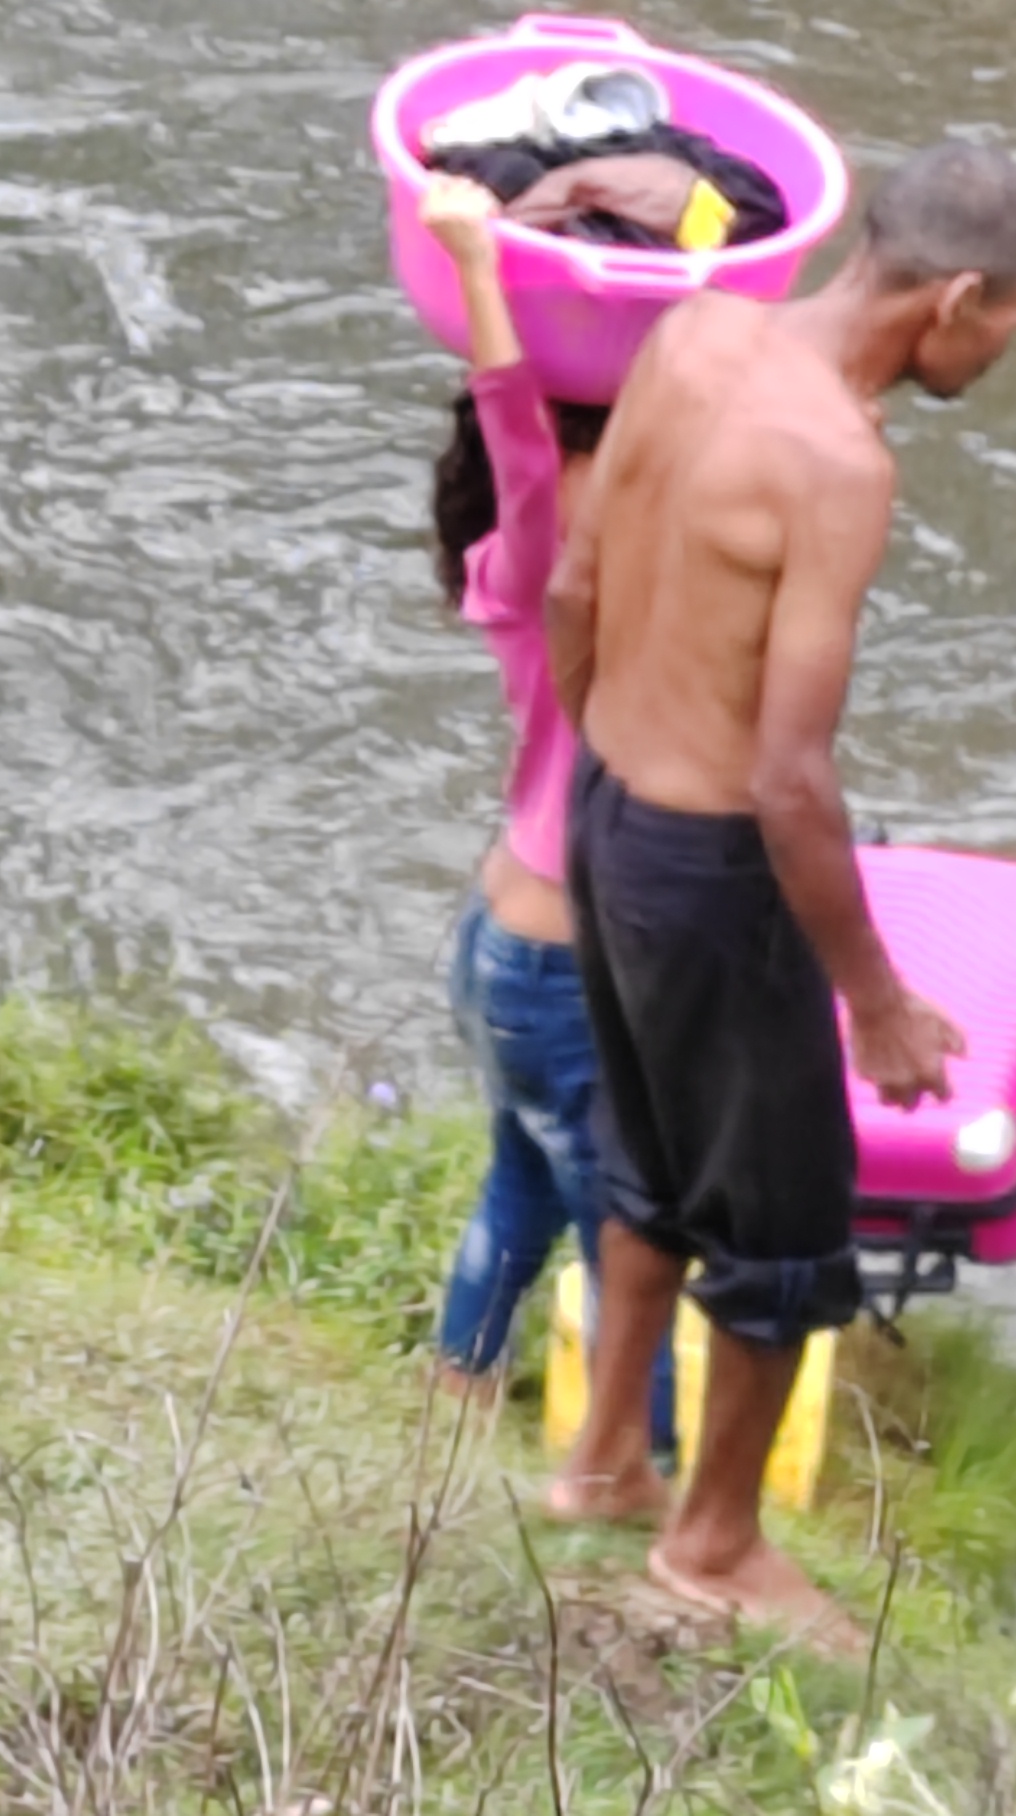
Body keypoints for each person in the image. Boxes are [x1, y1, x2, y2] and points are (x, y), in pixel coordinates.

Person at [543, 138, 1016, 1649]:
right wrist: (877, 1001)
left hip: (608, 810)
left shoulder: (696, 328)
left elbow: (574, 588)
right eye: (1009, 326)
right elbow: (790, 778)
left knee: (649, 1161)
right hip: (715, 864)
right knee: (780, 1227)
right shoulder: (839, 464)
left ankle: (605, 1463)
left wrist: (612, 759)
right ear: (951, 301)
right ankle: (713, 1544)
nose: (1000, 355)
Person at [420, 174, 672, 1447]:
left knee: (520, 1184)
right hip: (558, 966)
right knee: (630, 1230)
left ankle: (453, 1395)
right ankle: (638, 1464)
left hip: (509, 944)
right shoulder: (539, 559)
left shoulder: (546, 573)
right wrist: (478, 265)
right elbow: (516, 427)